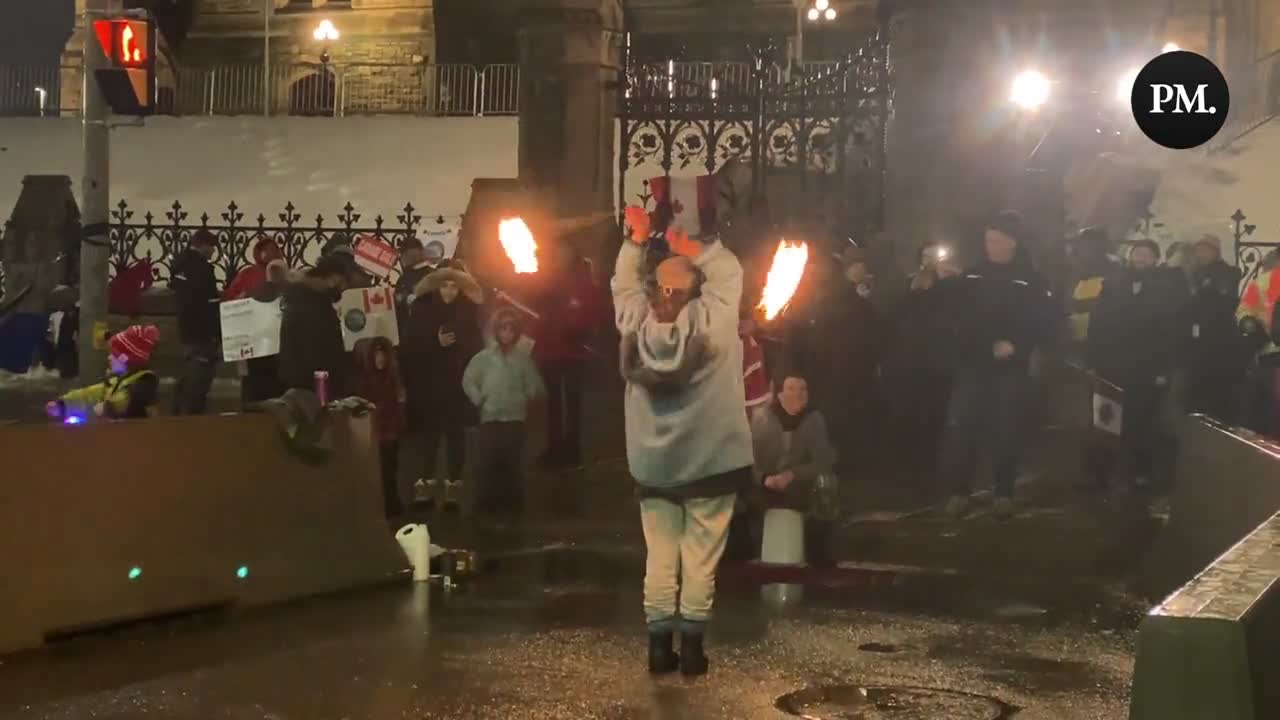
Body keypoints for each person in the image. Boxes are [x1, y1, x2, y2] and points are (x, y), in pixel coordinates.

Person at [614, 205, 753, 677]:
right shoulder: (714, 320)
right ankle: (692, 649)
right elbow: (728, 271)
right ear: (696, 289)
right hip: (712, 462)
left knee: (660, 555)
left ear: (655, 291)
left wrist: (636, 240)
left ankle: (657, 648)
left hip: (654, 467)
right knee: (701, 558)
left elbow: (623, 285)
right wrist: (686, 243)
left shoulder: (634, 322)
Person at [938, 211, 1056, 519]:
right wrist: (947, 285)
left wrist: (1016, 344)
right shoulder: (973, 276)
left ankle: (1003, 493)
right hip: (973, 366)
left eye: (997, 240)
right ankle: (959, 492)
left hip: (1009, 370)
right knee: (963, 429)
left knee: (1006, 430)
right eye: (988, 240)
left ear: (1012, 243)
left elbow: (1042, 319)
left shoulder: (1031, 280)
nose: (991, 245)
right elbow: (959, 317)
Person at [1086, 239, 1185, 493]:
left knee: (1142, 422)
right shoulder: (1113, 285)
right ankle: (1102, 475)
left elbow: (1172, 332)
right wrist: (1094, 361)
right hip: (1112, 366)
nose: (1141, 258)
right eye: (1137, 253)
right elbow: (1097, 325)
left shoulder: (1166, 290)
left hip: (1146, 369)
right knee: (1107, 421)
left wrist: (1163, 369)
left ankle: (1139, 473)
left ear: (1155, 260)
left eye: (1147, 255)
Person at [402, 262, 484, 511]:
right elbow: (410, 344)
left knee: (455, 434)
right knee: (429, 433)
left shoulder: (468, 311)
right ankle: (425, 481)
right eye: (445, 285)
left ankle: (453, 484)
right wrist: (434, 341)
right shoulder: (422, 309)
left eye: (454, 287)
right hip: (429, 381)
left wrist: (459, 347)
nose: (449, 291)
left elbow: (476, 346)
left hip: (457, 383)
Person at [798, 244, 884, 471]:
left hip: (854, 367)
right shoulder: (839, 294)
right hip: (840, 367)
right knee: (839, 420)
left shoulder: (861, 292)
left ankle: (848, 464)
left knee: (850, 419)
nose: (862, 269)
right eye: (858, 265)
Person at [462, 306, 544, 518]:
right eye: (502, 328)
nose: (506, 333)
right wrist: (479, 398)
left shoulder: (522, 359)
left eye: (511, 329)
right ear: (495, 330)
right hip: (490, 417)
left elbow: (534, 383)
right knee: (488, 461)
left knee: (512, 462)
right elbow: (469, 380)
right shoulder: (483, 358)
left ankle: (512, 505)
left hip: (515, 418)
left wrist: (525, 397)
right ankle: (486, 505)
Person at [886, 241, 961, 474]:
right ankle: (906, 462)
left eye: (935, 256)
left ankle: (929, 462)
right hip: (910, 360)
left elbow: (957, 312)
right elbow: (895, 314)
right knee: (910, 412)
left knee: (936, 413)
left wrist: (950, 280)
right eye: (926, 256)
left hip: (939, 361)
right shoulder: (909, 284)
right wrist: (914, 289)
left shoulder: (951, 284)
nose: (930, 261)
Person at [749, 373, 838, 565]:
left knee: (826, 482)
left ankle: (819, 553)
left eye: (802, 390)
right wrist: (765, 479)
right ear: (780, 393)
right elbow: (747, 462)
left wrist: (794, 474)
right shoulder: (762, 418)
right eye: (791, 389)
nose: (797, 394)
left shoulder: (814, 420)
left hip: (801, 487)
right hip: (764, 486)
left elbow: (823, 460)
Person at [533, 242, 606, 469]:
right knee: (553, 404)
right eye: (557, 252)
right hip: (551, 350)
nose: (560, 256)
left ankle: (572, 450)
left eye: (565, 252)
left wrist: (579, 330)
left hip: (574, 353)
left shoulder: (584, 283)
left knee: (572, 403)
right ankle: (554, 447)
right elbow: (538, 310)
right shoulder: (547, 280)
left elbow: (593, 311)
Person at [46, 324, 160, 422]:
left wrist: (108, 408)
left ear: (124, 358)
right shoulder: (115, 381)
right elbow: (90, 395)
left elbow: (128, 400)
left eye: (114, 354)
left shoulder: (144, 382)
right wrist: (63, 405)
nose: (109, 358)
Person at [1184, 234, 1243, 422]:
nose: (1201, 254)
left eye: (1206, 250)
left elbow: (1223, 298)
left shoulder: (1228, 272)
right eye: (1198, 250)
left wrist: (1201, 289)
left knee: (1216, 384)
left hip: (1218, 337)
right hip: (1194, 338)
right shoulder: (1191, 272)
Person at [278, 255, 350, 397]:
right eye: (342, 283)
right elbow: (318, 347)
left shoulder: (309, 298)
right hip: (313, 381)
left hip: (309, 378)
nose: (342, 289)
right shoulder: (311, 303)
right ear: (333, 278)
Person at [353, 336, 407, 520]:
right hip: (375, 435)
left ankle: (392, 505)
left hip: (390, 434)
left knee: (391, 470)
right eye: (376, 354)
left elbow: (398, 404)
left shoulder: (391, 378)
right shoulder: (361, 382)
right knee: (379, 472)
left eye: (383, 353)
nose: (380, 358)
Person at [170, 229, 222, 415]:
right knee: (200, 376)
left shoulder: (182, 265)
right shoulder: (199, 268)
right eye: (212, 247)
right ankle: (190, 416)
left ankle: (179, 409)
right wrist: (215, 331)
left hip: (189, 328)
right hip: (202, 330)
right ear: (202, 245)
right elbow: (205, 302)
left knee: (191, 371)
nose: (214, 252)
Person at [241, 259, 291, 405]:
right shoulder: (289, 295)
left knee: (258, 391)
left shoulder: (250, 294)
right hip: (280, 354)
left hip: (255, 352)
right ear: (284, 275)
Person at [223, 236, 284, 301]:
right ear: (258, 252)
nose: (269, 252)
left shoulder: (282, 272)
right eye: (264, 249)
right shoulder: (247, 273)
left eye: (272, 249)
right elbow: (231, 295)